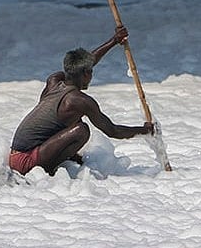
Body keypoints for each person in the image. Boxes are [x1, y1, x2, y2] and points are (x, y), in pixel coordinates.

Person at [9, 25, 154, 175]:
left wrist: (114, 41)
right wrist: (145, 130)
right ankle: (49, 171)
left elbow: (87, 63)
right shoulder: (79, 101)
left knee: (74, 122)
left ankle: (60, 160)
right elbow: (112, 130)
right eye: (90, 73)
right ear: (86, 74)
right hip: (25, 163)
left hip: (14, 156)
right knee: (81, 130)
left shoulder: (54, 80)